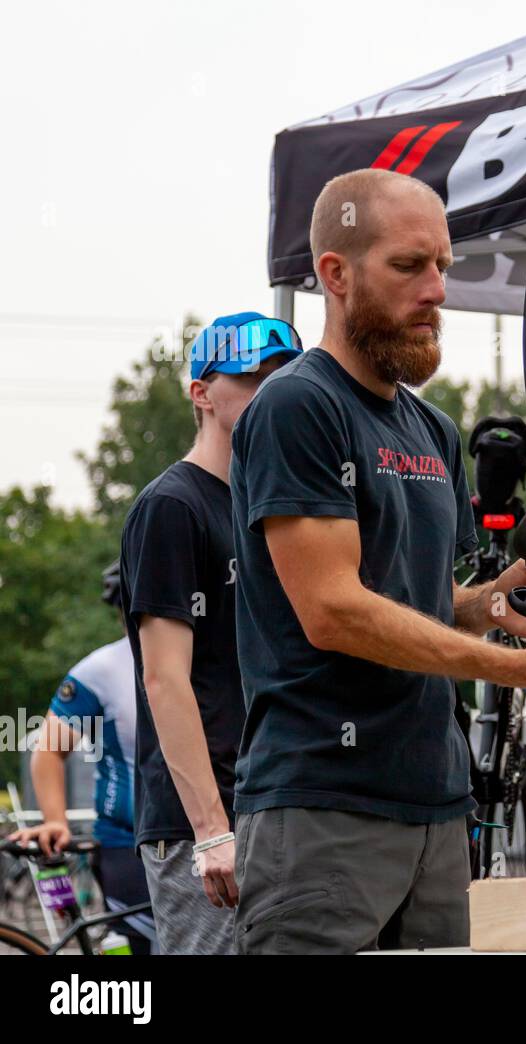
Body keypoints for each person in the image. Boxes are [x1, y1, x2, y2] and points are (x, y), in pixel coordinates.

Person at [228, 168, 526, 954]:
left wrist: (503, 604)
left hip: (435, 805)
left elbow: (418, 599)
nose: (436, 291)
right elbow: (334, 611)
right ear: (335, 274)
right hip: (324, 807)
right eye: (408, 266)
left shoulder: (433, 431)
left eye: (443, 267)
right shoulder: (297, 406)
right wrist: (515, 670)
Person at [119, 312, 302, 954]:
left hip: (274, 807)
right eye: (250, 379)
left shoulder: (271, 508)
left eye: (282, 379)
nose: (268, 393)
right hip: (205, 824)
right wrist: (210, 830)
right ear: (201, 393)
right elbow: (164, 678)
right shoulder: (172, 506)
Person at [6, 562, 154, 954]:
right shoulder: (101, 670)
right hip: (128, 844)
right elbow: (49, 748)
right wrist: (56, 820)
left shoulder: (209, 657)